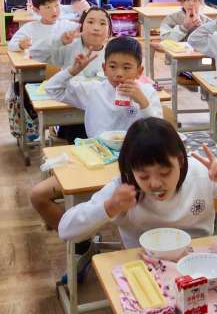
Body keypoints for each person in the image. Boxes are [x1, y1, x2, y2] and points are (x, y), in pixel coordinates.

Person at [58, 117, 217, 247]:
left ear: (180, 160)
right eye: (144, 176)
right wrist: (109, 207)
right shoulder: (124, 187)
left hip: (196, 259)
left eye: (164, 173)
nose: (155, 184)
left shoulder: (201, 174)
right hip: (143, 263)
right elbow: (66, 231)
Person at [31, 37, 163, 234]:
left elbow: (159, 133)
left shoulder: (146, 92)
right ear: (104, 68)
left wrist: (143, 102)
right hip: (94, 160)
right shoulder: (94, 90)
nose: (119, 73)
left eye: (127, 67)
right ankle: (79, 241)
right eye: (113, 66)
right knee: (38, 195)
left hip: (134, 164)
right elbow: (52, 90)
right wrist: (72, 70)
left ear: (139, 71)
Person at [30, 6, 112, 78]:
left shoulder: (113, 52)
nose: (96, 28)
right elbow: (35, 53)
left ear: (109, 31)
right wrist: (59, 41)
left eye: (102, 23)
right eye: (90, 22)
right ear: (81, 27)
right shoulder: (69, 47)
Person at [8, 0, 75, 52]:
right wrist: (21, 45)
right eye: (48, 7)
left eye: (57, 5)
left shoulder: (67, 25)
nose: (54, 11)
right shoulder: (30, 28)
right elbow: (10, 46)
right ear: (36, 10)